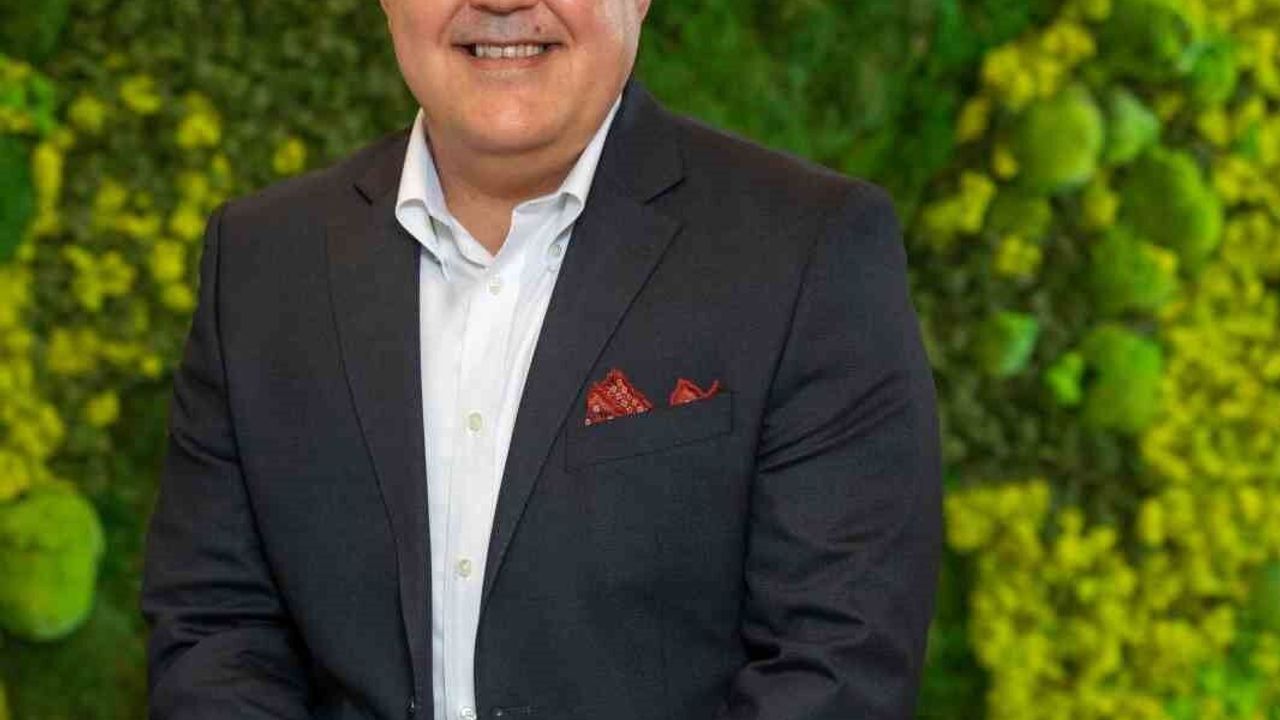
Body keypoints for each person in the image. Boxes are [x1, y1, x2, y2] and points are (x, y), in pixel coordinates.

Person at [138, 0, 945, 718]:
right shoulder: (262, 262)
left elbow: (837, 660)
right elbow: (215, 628)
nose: (501, 4)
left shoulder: (805, 250)